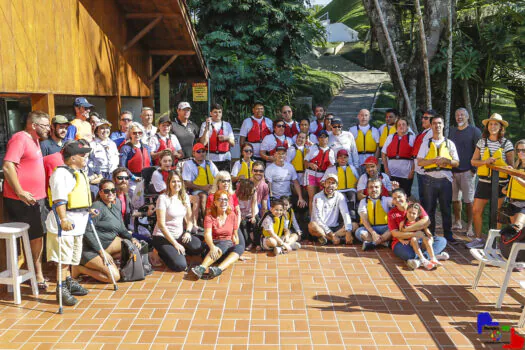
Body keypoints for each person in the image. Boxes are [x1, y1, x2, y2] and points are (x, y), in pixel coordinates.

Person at [3, 110, 49, 290]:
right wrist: (20, 191)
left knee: (38, 235)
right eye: (45, 125)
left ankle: (36, 271)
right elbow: (7, 166)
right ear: (34, 125)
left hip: (38, 198)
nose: (48, 129)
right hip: (22, 199)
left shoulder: (35, 140)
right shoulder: (20, 138)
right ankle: (36, 273)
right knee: (34, 235)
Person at [45, 141, 92, 306]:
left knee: (72, 257)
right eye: (82, 154)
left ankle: (68, 282)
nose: (85, 157)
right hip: (65, 223)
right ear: (72, 158)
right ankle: (61, 289)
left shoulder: (77, 172)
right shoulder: (61, 174)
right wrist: (63, 219)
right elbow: (59, 199)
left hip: (78, 222)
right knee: (63, 259)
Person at [76, 180, 140, 283]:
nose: (110, 193)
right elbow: (87, 231)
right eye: (106, 191)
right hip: (90, 249)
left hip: (106, 245)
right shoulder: (97, 206)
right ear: (100, 192)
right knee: (114, 277)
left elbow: (122, 229)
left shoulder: (114, 207)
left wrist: (132, 238)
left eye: (113, 190)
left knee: (130, 247)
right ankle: (80, 268)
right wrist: (102, 252)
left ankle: (104, 263)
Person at [468, 113, 514, 249]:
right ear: (487, 126)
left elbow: (511, 168)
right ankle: (478, 239)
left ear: (501, 127)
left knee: (498, 213)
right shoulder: (482, 142)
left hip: (500, 184)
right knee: (476, 210)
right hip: (484, 182)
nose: (493, 126)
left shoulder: (507, 144)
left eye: (496, 124)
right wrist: (485, 162)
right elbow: (473, 161)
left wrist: (501, 166)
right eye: (491, 124)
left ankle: (496, 242)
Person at [417, 115, 460, 244]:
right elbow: (420, 162)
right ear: (431, 126)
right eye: (435, 123)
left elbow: (457, 162)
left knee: (446, 208)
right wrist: (434, 161)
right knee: (429, 208)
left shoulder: (449, 143)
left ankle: (448, 235)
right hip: (429, 179)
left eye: (440, 123)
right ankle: (431, 234)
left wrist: (447, 161)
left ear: (443, 125)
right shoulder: (426, 143)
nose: (437, 126)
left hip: (445, 179)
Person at [152, 171, 204, 272]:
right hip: (162, 236)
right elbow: (161, 225)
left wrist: (188, 232)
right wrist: (176, 244)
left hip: (179, 235)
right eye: (173, 182)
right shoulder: (163, 198)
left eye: (179, 181)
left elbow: (189, 220)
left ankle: (176, 251)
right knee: (180, 266)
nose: (176, 184)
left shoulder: (184, 197)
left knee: (198, 247)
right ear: (169, 183)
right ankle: (159, 252)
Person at [388, 188, 449, 270]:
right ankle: (433, 256)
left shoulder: (415, 206)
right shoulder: (392, 213)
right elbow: (395, 234)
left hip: (421, 240)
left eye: (399, 197)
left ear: (405, 196)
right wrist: (414, 234)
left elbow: (427, 221)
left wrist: (407, 229)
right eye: (394, 198)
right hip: (403, 242)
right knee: (408, 255)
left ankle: (420, 260)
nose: (397, 200)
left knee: (442, 241)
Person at [192, 190, 243, 279]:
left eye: (225, 200)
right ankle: (202, 267)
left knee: (239, 247)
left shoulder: (232, 215)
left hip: (226, 247)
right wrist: (212, 247)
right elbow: (207, 234)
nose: (223, 202)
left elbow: (235, 235)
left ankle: (218, 270)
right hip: (211, 249)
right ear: (215, 202)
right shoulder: (209, 216)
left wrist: (237, 254)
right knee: (225, 243)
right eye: (220, 199)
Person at [449, 108, 482, 236]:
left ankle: (470, 226)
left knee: (469, 201)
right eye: (457, 115)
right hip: (453, 171)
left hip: (468, 171)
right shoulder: (452, 132)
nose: (459, 117)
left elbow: (479, 151)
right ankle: (457, 222)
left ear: (467, 117)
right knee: (455, 199)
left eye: (462, 115)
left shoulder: (474, 131)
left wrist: (474, 170)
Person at [308, 174, 353, 245]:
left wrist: (348, 231)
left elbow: (345, 214)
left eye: (333, 183)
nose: (330, 185)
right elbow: (318, 219)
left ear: (336, 186)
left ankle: (327, 239)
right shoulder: (317, 197)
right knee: (312, 225)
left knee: (354, 225)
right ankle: (333, 239)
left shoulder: (340, 196)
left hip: (335, 228)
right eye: (328, 182)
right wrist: (332, 235)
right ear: (324, 184)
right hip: (321, 228)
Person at [182, 143, 219, 228]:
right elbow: (187, 183)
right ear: (193, 153)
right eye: (198, 151)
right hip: (195, 190)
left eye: (203, 151)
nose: (201, 153)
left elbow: (218, 177)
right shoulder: (188, 164)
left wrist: (212, 187)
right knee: (203, 197)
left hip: (210, 188)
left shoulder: (210, 163)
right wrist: (203, 188)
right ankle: (206, 222)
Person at [355, 178, 393, 251]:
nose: (374, 189)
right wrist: (373, 233)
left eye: (376, 187)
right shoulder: (363, 202)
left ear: (381, 189)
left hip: (384, 228)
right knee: (359, 232)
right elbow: (364, 220)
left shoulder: (387, 200)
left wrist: (396, 191)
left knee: (393, 229)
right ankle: (383, 243)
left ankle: (373, 243)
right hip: (369, 229)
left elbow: (399, 202)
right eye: (371, 187)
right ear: (367, 190)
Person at [382, 117, 416, 196]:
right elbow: (383, 154)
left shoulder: (412, 138)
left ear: (407, 126)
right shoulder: (390, 137)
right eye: (399, 125)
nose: (401, 126)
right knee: (392, 194)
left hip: (406, 174)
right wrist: (386, 169)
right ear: (396, 127)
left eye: (403, 124)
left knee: (405, 195)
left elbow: (416, 157)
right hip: (392, 173)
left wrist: (412, 171)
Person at [401, 202, 440, 270]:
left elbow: (426, 231)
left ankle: (433, 258)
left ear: (418, 215)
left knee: (429, 239)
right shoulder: (403, 223)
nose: (411, 215)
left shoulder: (419, 223)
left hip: (421, 243)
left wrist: (430, 237)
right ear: (406, 212)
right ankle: (423, 259)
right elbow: (399, 234)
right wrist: (401, 240)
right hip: (412, 243)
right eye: (409, 212)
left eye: (414, 213)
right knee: (413, 239)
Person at [305, 130, 335, 212]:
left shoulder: (331, 151)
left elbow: (332, 165)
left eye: (324, 137)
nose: (323, 139)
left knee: (322, 197)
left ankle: (321, 216)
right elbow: (306, 162)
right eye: (321, 137)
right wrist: (310, 164)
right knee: (312, 197)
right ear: (318, 139)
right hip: (311, 174)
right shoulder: (313, 148)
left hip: (323, 175)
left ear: (328, 139)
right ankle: (312, 218)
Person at [199, 103, 235, 171]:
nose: (217, 114)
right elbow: (203, 143)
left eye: (219, 112)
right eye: (215, 112)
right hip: (210, 158)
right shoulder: (205, 124)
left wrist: (226, 138)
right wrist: (207, 128)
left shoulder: (227, 125)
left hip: (225, 158)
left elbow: (233, 143)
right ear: (211, 113)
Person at [412, 109, 435, 201]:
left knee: (426, 196)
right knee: (422, 195)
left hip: (426, 169)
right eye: (423, 117)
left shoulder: (432, 132)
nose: (422, 120)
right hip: (419, 168)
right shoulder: (425, 132)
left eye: (426, 118)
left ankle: (427, 214)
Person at [503, 140, 525, 232]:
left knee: (516, 227)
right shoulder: (517, 164)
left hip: (523, 204)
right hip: (513, 202)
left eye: (524, 150)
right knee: (514, 233)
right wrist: (507, 189)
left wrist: (514, 176)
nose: (520, 153)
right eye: (518, 150)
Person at [236, 179, 258, 250]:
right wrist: (240, 216)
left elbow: (253, 205)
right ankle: (248, 243)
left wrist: (253, 216)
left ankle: (257, 242)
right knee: (243, 224)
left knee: (256, 223)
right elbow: (236, 207)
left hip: (251, 212)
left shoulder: (254, 192)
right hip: (241, 213)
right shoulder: (237, 194)